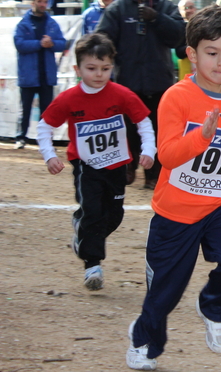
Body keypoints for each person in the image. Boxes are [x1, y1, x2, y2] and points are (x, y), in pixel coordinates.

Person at [125, 5, 221, 371]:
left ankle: (214, 305)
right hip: (177, 208)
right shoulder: (177, 97)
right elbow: (167, 155)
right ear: (192, 54)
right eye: (212, 53)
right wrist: (203, 136)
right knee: (164, 291)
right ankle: (145, 341)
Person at [36, 33, 154, 291]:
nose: (99, 74)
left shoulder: (122, 94)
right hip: (86, 165)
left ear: (113, 67)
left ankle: (83, 232)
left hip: (116, 165)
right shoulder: (68, 99)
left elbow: (143, 122)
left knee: (113, 216)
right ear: (77, 69)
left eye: (105, 68)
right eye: (91, 69)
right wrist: (49, 155)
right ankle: (92, 264)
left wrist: (149, 150)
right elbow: (44, 127)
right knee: (92, 211)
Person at [96, 0, 185, 190]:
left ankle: (153, 175)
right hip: (128, 83)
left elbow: (179, 36)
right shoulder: (118, 8)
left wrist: (157, 18)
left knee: (158, 130)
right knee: (128, 129)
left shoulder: (167, 6)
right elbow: (102, 38)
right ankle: (128, 167)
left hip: (160, 82)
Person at [13, 0, 66, 149]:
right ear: (33, 3)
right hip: (28, 75)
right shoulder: (23, 24)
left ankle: (45, 140)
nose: (43, 4)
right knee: (25, 109)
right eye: (39, 1)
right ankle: (20, 137)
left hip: (46, 75)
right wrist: (39, 44)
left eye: (45, 2)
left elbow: (62, 43)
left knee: (47, 111)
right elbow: (19, 44)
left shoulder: (51, 23)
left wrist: (52, 44)